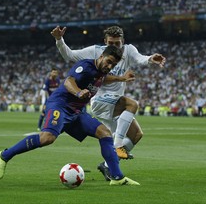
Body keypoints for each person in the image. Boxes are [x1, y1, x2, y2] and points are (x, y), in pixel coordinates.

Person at [0, 46, 140, 186]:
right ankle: (4, 156)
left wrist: (121, 78)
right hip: (60, 106)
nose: (109, 66)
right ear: (101, 56)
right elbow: (69, 81)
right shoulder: (85, 66)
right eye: (108, 61)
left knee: (105, 133)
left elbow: (104, 78)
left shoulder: (101, 72)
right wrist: (78, 92)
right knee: (47, 138)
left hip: (77, 112)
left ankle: (117, 177)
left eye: (113, 65)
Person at [51, 25, 166, 181]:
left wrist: (150, 59)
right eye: (110, 43)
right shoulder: (96, 51)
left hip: (114, 103)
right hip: (99, 99)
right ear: (105, 41)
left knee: (136, 135)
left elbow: (141, 58)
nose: (114, 46)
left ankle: (107, 165)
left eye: (117, 43)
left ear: (122, 41)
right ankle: (118, 147)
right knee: (131, 104)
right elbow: (70, 55)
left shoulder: (129, 50)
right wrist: (59, 39)